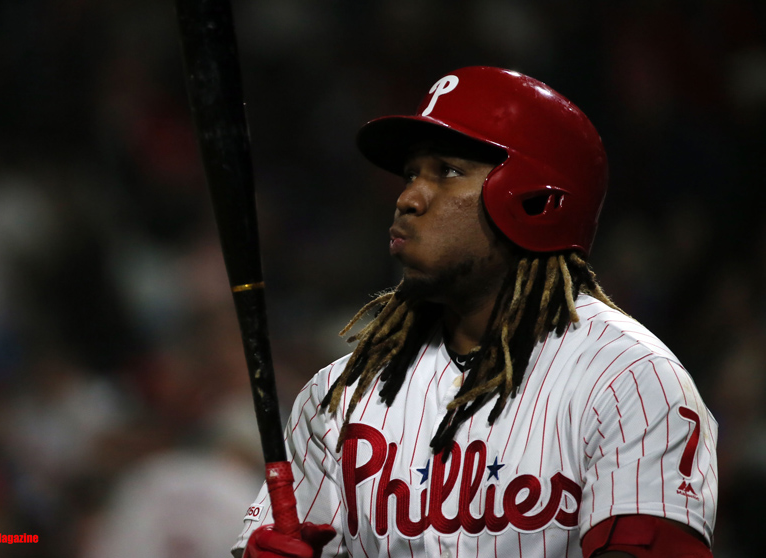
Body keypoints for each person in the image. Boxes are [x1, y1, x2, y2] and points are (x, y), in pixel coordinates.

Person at [232, 66, 717, 558]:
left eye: (446, 171)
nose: (407, 198)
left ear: (538, 200)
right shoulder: (337, 398)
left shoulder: (631, 380)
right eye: (410, 174)